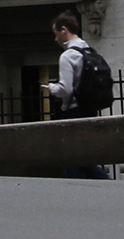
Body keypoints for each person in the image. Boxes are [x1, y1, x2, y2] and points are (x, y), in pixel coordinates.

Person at [41, 10, 107, 179]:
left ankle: (101, 184)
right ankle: (106, 184)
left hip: (73, 112)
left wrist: (51, 88)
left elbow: (66, 89)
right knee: (82, 158)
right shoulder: (90, 51)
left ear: (64, 30)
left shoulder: (68, 56)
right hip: (90, 110)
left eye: (56, 34)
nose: (56, 40)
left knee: (71, 158)